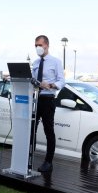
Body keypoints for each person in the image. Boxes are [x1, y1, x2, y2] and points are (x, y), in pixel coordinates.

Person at [32, 35, 65, 172]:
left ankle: (48, 162)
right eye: (35, 46)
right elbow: (33, 80)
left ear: (46, 45)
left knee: (48, 131)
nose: (37, 48)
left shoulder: (56, 62)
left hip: (48, 99)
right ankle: (27, 157)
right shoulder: (35, 63)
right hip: (35, 99)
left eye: (39, 45)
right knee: (30, 129)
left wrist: (50, 85)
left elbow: (62, 81)